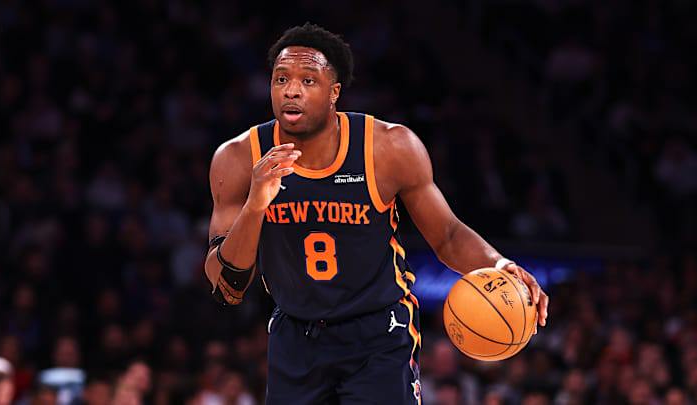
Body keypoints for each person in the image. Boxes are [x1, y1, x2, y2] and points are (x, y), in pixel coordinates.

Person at [203, 23, 549, 404]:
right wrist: (255, 206)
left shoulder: (388, 148)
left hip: (377, 333)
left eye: (308, 80)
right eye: (281, 79)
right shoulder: (238, 159)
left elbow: (448, 235)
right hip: (295, 334)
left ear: (334, 92)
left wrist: (498, 264)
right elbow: (226, 287)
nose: (291, 90)